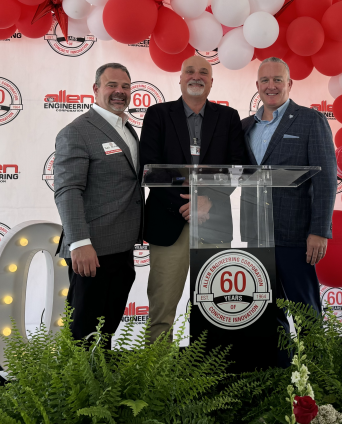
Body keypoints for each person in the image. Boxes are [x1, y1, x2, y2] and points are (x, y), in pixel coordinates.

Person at [140, 55, 245, 342]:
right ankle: (157, 378)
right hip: (168, 222)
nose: (196, 76)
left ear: (211, 81)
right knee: (162, 307)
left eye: (203, 72)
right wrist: (188, 203)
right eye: (190, 71)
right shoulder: (158, 114)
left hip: (214, 221)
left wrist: (206, 200)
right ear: (181, 78)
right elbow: (150, 166)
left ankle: (208, 378)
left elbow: (238, 166)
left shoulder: (229, 117)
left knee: (215, 307)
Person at [241, 56, 337, 334]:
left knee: (306, 313)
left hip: (296, 234)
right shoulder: (245, 126)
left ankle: (316, 375)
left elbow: (326, 179)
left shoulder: (311, 120)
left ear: (289, 84)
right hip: (255, 235)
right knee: (267, 313)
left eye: (277, 79)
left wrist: (319, 230)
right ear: (257, 85)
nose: (271, 86)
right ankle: (279, 372)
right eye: (265, 80)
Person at [53, 62, 143, 346]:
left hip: (122, 247)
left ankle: (100, 386)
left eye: (125, 86)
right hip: (92, 250)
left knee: (107, 330)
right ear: (95, 89)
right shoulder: (77, 131)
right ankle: (79, 389)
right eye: (112, 85)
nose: (119, 92)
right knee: (84, 332)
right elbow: (68, 190)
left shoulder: (127, 128)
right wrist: (79, 243)